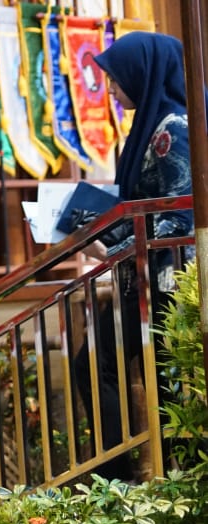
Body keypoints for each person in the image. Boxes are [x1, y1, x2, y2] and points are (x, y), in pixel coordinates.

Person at [74, 32, 192, 478]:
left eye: (116, 78)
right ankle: (120, 477)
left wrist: (114, 245)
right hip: (140, 278)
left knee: (169, 383)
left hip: (170, 282)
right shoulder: (149, 126)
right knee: (97, 364)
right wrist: (88, 224)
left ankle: (177, 480)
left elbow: (180, 216)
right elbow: (141, 208)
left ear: (142, 74)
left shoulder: (172, 128)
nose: (110, 88)